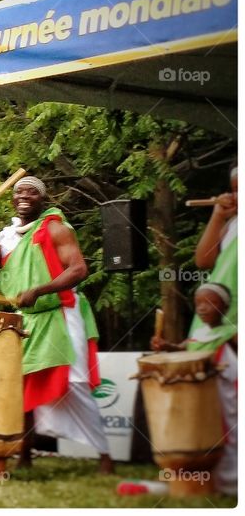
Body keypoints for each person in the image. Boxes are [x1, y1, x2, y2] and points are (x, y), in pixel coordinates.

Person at [0, 176, 114, 474]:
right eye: (19, 191)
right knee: (22, 384)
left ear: (42, 199)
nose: (24, 195)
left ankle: (104, 456)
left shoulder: (55, 228)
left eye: (32, 192)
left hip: (60, 312)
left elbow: (78, 270)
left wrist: (39, 290)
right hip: (26, 320)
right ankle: (25, 455)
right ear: (12, 200)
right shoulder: (7, 236)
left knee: (73, 383)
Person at [152, 283, 237, 496]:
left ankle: (234, 481)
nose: (202, 308)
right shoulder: (199, 333)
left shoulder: (233, 333)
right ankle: (214, 482)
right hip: (203, 396)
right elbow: (183, 348)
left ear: (225, 307)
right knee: (209, 435)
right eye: (198, 303)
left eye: (210, 302)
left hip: (229, 395)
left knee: (231, 435)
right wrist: (164, 346)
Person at [190, 166, 237, 334]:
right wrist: (218, 217)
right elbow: (204, 260)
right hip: (224, 313)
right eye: (235, 190)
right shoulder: (233, 224)